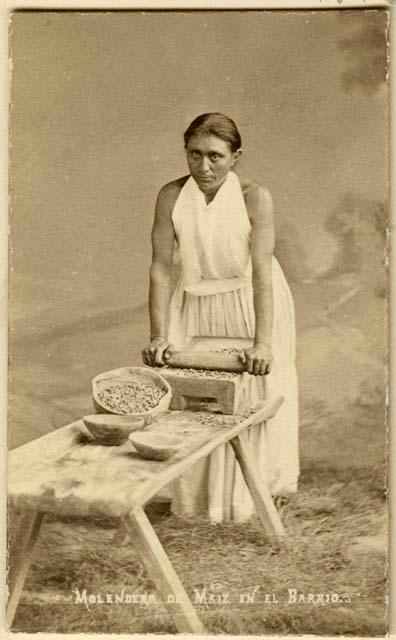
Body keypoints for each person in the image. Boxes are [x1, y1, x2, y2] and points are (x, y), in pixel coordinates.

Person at [142, 113, 299, 523]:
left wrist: (262, 343)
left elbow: (262, 272)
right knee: (190, 394)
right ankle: (195, 501)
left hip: (252, 301)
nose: (204, 167)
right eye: (195, 155)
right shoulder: (170, 196)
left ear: (236, 157)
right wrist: (159, 335)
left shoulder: (255, 197)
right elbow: (161, 268)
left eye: (215, 156)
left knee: (255, 394)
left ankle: (258, 495)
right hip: (194, 302)